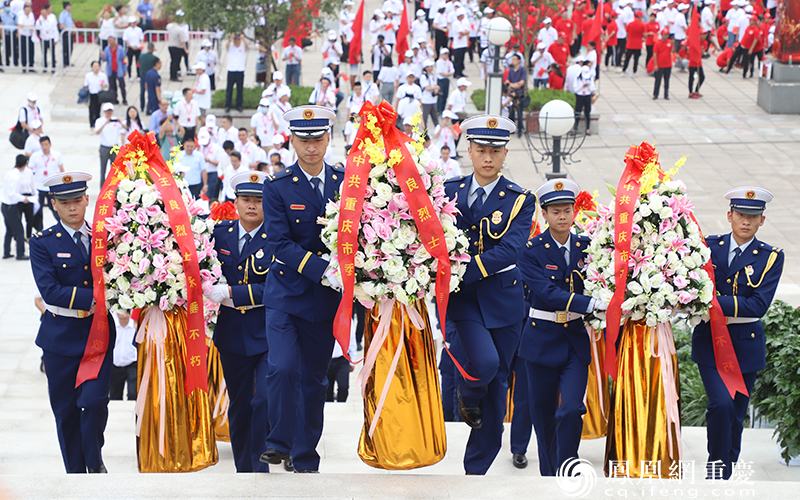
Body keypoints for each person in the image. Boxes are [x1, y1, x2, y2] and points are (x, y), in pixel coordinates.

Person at [443, 115, 536, 475]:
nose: (487, 158)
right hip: (463, 301)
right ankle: (467, 397)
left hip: (503, 300)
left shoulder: (519, 199)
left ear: (504, 154)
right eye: (481, 150)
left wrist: (464, 270)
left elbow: (511, 250)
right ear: (469, 151)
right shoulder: (446, 190)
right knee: (485, 364)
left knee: (498, 387)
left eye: (495, 152)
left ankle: (476, 470)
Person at [259, 105, 344, 473]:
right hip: (286, 295)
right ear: (291, 141)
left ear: (328, 138)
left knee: (313, 381)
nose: (311, 147)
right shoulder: (277, 187)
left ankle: (305, 456)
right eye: (303, 140)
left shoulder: (347, 184)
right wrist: (325, 269)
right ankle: (279, 440)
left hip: (325, 303)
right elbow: (279, 243)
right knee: (281, 367)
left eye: (318, 139)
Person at [692, 187, 784, 480]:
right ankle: (716, 469)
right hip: (710, 341)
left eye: (753, 217)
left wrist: (713, 301)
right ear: (729, 216)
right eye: (741, 215)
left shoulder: (770, 257)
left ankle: (725, 469)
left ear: (762, 221)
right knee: (719, 403)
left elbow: (758, 304)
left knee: (734, 413)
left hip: (744, 345)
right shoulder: (708, 247)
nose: (746, 222)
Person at [30, 171, 116, 473]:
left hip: (98, 334)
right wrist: (93, 298)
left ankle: (95, 461)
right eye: (65, 202)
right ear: (54, 205)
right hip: (60, 337)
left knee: (94, 403)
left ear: (87, 200)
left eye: (77, 200)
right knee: (66, 411)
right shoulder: (43, 242)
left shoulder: (106, 239)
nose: (72, 207)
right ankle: (76, 473)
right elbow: (50, 290)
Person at [518, 179, 606, 476]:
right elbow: (547, 294)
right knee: (543, 419)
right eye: (556, 211)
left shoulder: (587, 247)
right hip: (541, 341)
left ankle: (568, 468)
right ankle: (549, 477)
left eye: (567, 210)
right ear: (544, 214)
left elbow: (603, 276)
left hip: (573, 341)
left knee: (570, 409)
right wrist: (592, 304)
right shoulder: (532, 250)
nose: (562, 217)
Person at [206, 170, 274, 472]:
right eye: (246, 199)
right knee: (240, 402)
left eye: (258, 201)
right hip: (232, 333)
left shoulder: (276, 236)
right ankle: (244, 470)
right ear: (236, 202)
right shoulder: (218, 233)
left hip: (266, 332)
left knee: (263, 401)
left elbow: (274, 287)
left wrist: (232, 292)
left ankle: (259, 466)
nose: (252, 206)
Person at [1, 155, 32, 260]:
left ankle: (6, 252)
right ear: (25, 164)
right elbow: (13, 194)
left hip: (4, 205)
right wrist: (24, 198)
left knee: (9, 229)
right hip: (11, 207)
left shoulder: (10, 173)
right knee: (19, 231)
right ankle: (20, 254)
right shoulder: (17, 177)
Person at [29, 135, 63, 228]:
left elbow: (62, 170)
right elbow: (29, 170)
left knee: (55, 208)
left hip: (51, 186)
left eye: (46, 144)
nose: (44, 147)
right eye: (42, 145)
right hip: (38, 187)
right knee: (38, 210)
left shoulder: (57, 155)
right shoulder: (35, 156)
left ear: (50, 144)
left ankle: (63, 225)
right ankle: (39, 229)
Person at [109, 310, 136, 401]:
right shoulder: (112, 324)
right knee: (115, 394)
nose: (124, 315)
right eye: (122, 312)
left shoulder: (135, 325)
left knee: (133, 393)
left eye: (127, 312)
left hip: (132, 363)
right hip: (115, 364)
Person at [326, 322, 356, 403]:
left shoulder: (346, 319)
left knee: (343, 387)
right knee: (327, 391)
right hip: (326, 360)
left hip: (342, 359)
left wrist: (352, 360)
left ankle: (341, 403)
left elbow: (352, 338)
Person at [95, 102, 123, 185]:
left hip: (114, 147)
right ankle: (102, 187)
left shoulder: (116, 120)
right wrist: (105, 123)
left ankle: (113, 186)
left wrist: (120, 122)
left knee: (115, 170)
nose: (109, 113)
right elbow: (97, 132)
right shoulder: (100, 120)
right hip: (104, 147)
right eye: (107, 111)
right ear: (104, 111)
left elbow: (125, 128)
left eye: (110, 111)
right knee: (103, 169)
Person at [197, 129, 224, 201]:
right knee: (201, 195)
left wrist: (210, 161)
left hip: (212, 173)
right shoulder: (200, 147)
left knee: (211, 195)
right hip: (201, 173)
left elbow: (220, 162)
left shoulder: (216, 148)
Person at [225, 33, 248, 113]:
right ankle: (228, 105)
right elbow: (226, 46)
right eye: (235, 40)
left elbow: (247, 47)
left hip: (240, 71)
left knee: (239, 89)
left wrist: (243, 39)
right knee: (229, 89)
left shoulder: (242, 48)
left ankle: (239, 105)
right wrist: (230, 38)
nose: (237, 42)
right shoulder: (231, 48)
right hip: (231, 70)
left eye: (238, 40)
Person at [506, 54, 527, 136]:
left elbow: (521, 83)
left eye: (514, 59)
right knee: (511, 111)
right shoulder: (511, 70)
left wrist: (511, 84)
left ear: (519, 60)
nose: (513, 61)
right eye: (512, 59)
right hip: (512, 93)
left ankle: (520, 129)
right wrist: (514, 85)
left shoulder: (522, 70)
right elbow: (508, 81)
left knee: (519, 111)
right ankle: (512, 128)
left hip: (519, 94)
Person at [103, 36, 128, 105]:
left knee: (122, 85)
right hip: (111, 69)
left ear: (114, 40)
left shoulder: (120, 49)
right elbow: (105, 59)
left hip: (119, 69)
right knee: (112, 86)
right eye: (109, 41)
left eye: (111, 40)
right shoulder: (107, 49)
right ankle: (114, 99)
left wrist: (125, 69)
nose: (110, 42)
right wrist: (102, 56)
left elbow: (124, 59)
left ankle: (124, 99)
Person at [572, 66, 595, 135]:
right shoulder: (577, 78)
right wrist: (582, 86)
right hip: (580, 96)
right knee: (577, 112)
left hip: (587, 96)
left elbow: (592, 89)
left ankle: (587, 129)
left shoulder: (590, 78)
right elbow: (575, 90)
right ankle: (575, 129)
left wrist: (588, 86)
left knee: (587, 112)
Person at [36, 4, 58, 74]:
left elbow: (55, 28)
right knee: (44, 53)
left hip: (50, 37)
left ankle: (53, 68)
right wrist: (39, 22)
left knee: (52, 53)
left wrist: (56, 38)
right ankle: (44, 67)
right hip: (44, 38)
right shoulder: (40, 19)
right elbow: (37, 27)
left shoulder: (52, 17)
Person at [653, 29, 673, 100]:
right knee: (658, 80)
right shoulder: (657, 43)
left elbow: (672, 51)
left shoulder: (669, 43)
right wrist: (655, 65)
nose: (666, 36)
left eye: (667, 34)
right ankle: (655, 94)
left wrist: (673, 44)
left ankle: (666, 94)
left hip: (668, 65)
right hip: (660, 65)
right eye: (665, 34)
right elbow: (655, 54)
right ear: (662, 35)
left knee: (667, 81)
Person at [623, 11, 645, 75]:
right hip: (638, 44)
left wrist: (627, 41)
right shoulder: (642, 24)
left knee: (627, 58)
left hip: (630, 44)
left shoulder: (630, 24)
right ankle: (634, 71)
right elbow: (644, 34)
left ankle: (624, 69)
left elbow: (627, 33)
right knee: (636, 59)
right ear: (640, 17)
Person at [166, 16, 188, 82]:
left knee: (173, 62)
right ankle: (174, 76)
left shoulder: (170, 28)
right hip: (177, 47)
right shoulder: (180, 30)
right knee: (176, 62)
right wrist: (186, 49)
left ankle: (172, 75)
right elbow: (183, 41)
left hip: (170, 46)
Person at [420, 60, 440, 129]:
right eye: (430, 66)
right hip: (426, 100)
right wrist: (435, 87)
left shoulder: (431, 75)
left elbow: (433, 85)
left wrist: (436, 89)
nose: (431, 68)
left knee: (435, 118)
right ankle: (424, 134)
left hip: (433, 100)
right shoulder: (423, 76)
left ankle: (437, 130)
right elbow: (426, 87)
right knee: (424, 118)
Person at [122, 16, 143, 82]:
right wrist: (131, 46)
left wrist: (140, 45)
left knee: (138, 62)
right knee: (130, 62)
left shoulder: (139, 29)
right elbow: (126, 40)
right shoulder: (127, 30)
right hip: (130, 48)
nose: (133, 24)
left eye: (134, 22)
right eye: (132, 23)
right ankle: (130, 76)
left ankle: (138, 75)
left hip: (137, 47)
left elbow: (141, 38)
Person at [138, 43, 157, 112]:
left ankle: (142, 107)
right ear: (153, 49)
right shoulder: (154, 58)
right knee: (150, 92)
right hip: (149, 76)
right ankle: (148, 108)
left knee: (142, 91)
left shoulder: (142, 56)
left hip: (142, 75)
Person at [451, 9, 470, 78]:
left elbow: (467, 31)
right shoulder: (456, 23)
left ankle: (460, 72)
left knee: (462, 59)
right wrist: (464, 33)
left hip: (463, 43)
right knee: (457, 60)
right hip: (458, 45)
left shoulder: (462, 23)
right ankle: (456, 73)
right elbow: (462, 32)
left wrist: (464, 33)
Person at [436, 47, 454, 114]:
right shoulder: (439, 62)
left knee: (445, 95)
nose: (445, 55)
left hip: (446, 80)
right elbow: (440, 73)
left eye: (446, 54)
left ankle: (442, 109)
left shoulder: (449, 62)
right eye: (444, 54)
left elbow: (452, 71)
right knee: (440, 95)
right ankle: (438, 109)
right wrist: (448, 74)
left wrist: (447, 74)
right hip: (441, 80)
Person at [17, 2, 34, 72]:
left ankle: (31, 66)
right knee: (23, 51)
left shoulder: (31, 15)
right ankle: (24, 66)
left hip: (30, 35)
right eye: (26, 10)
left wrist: (26, 26)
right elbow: (20, 25)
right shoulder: (21, 15)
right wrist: (27, 27)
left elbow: (32, 24)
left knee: (31, 51)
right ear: (24, 10)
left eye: (29, 10)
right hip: (23, 35)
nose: (28, 11)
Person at [2, 1, 19, 69]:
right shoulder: (2, 15)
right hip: (6, 33)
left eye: (8, 6)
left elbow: (17, 24)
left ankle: (15, 62)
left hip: (13, 32)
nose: (7, 8)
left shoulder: (14, 14)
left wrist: (17, 32)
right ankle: (7, 62)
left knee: (15, 48)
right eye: (6, 7)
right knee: (6, 48)